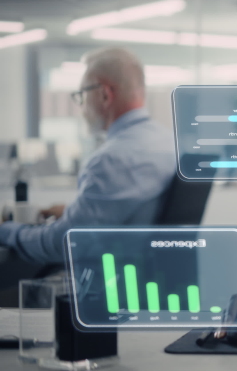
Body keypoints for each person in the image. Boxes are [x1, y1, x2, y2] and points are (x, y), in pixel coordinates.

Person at [0, 47, 176, 264]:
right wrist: (73, 212)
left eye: (82, 95)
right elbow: (134, 213)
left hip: (115, 286)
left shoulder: (113, 159)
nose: (82, 107)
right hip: (158, 278)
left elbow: (64, 244)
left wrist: (8, 231)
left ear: (104, 94)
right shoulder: (169, 144)